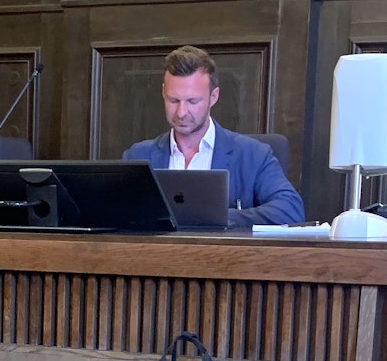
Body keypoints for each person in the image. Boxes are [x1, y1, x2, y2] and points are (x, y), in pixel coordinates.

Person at [123, 46, 305, 227]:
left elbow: (290, 209)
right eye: (174, 100)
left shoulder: (254, 155)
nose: (181, 112)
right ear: (163, 92)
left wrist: (220, 217)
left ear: (214, 96)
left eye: (192, 101)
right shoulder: (137, 156)